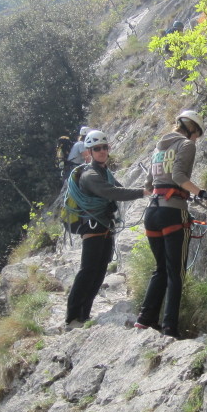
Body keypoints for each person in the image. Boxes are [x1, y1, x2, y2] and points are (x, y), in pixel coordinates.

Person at [135, 109, 207, 338]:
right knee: (176, 273)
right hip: (172, 214)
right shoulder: (186, 145)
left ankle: (145, 319)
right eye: (197, 134)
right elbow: (178, 177)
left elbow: (149, 185)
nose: (196, 138)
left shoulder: (159, 148)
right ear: (192, 128)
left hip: (152, 213)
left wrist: (185, 193)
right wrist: (203, 193)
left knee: (161, 270)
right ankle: (169, 328)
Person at [64, 130, 150, 328]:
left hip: (104, 226)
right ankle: (72, 317)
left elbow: (117, 187)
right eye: (97, 149)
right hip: (93, 226)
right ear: (89, 152)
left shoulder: (105, 173)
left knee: (99, 271)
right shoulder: (89, 175)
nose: (102, 151)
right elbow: (111, 192)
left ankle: (84, 314)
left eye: (104, 147)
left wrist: (149, 188)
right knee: (88, 271)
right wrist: (143, 192)